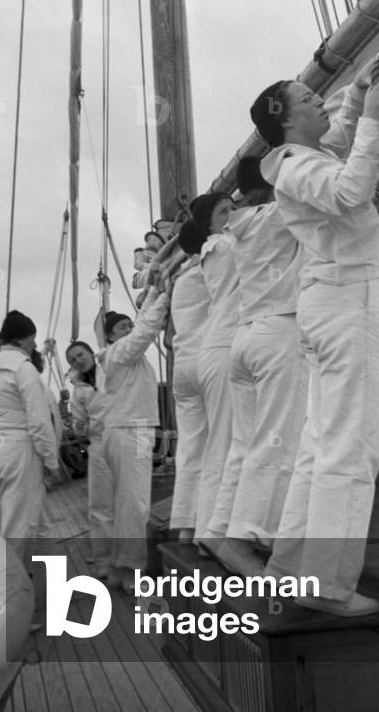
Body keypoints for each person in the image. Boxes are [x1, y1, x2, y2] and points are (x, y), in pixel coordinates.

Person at [252, 74, 379, 617]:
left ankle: (288, 571)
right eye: (310, 100)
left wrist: (360, 100)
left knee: (318, 446)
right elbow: (348, 191)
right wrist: (377, 119)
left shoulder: (299, 158)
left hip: (328, 300)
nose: (322, 102)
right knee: (349, 445)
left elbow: (335, 144)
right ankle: (327, 586)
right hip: (346, 300)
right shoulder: (301, 166)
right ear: (287, 120)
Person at [210, 156, 308, 577]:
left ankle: (218, 528)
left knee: (244, 445)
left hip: (245, 339)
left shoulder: (241, 226)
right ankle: (243, 541)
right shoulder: (278, 215)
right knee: (278, 441)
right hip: (279, 334)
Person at [94, 279, 172, 591]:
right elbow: (144, 331)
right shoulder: (119, 352)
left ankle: (119, 570)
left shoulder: (122, 355)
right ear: (111, 335)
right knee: (135, 504)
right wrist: (166, 296)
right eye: (121, 327)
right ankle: (131, 575)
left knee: (125, 504)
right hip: (131, 431)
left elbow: (141, 325)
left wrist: (152, 291)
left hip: (124, 430)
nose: (128, 329)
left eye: (128, 324)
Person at [0, 310, 60, 563]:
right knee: (19, 529)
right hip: (20, 453)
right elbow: (39, 422)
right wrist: (51, 462)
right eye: (33, 340)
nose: (34, 345)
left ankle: (44, 589)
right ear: (21, 341)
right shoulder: (24, 369)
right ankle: (11, 596)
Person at [188, 192, 238, 542]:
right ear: (209, 223)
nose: (233, 214)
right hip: (224, 350)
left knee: (228, 442)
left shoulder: (219, 246)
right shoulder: (219, 247)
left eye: (234, 208)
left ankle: (213, 529)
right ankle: (210, 532)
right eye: (223, 211)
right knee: (224, 444)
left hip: (222, 348)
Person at [168, 219, 213, 543]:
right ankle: (209, 529)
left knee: (190, 447)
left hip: (182, 366)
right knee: (219, 446)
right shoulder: (208, 270)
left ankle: (185, 525)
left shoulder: (178, 281)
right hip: (207, 360)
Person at [66, 340, 111, 571]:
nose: (78, 360)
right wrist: (80, 426)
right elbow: (78, 423)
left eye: (80, 354)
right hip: (99, 444)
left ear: (91, 353)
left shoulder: (111, 367)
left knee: (128, 502)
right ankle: (104, 561)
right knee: (100, 505)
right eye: (73, 359)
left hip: (123, 438)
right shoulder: (78, 390)